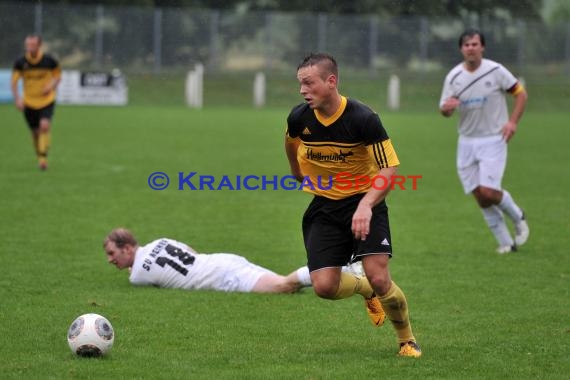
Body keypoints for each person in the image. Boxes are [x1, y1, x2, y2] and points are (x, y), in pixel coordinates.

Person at [284, 53, 421, 357]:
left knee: (380, 275)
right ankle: (364, 289)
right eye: (300, 84)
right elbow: (291, 142)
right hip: (325, 208)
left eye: (309, 83)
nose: (303, 90)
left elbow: (389, 169)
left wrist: (367, 205)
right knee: (324, 287)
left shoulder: (363, 118)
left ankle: (406, 340)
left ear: (331, 81)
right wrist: (297, 173)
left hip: (365, 204)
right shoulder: (299, 117)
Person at [439, 28, 529, 254]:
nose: (471, 48)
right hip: (466, 141)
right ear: (461, 49)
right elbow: (444, 109)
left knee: (489, 191)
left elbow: (521, 94)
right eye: (467, 44)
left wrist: (512, 122)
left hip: (493, 139)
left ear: (482, 47)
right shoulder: (454, 77)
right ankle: (506, 243)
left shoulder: (496, 71)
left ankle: (518, 216)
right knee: (479, 195)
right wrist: (447, 109)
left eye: (475, 44)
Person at [103, 227, 366, 297]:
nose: (110, 260)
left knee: (284, 286)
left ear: (127, 248)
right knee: (287, 286)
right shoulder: (160, 241)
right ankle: (345, 268)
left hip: (223, 278)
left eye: (113, 253)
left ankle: (344, 265)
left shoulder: (137, 275)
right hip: (221, 260)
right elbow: (191, 251)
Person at [11, 34, 61, 170]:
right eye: (27, 45)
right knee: (35, 133)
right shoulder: (20, 63)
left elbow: (57, 76)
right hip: (29, 102)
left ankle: (43, 159)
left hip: (46, 100)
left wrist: (50, 86)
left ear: (39, 45)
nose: (29, 48)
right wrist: (18, 99)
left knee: (44, 126)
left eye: (32, 45)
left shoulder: (49, 61)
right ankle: (40, 154)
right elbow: (14, 82)